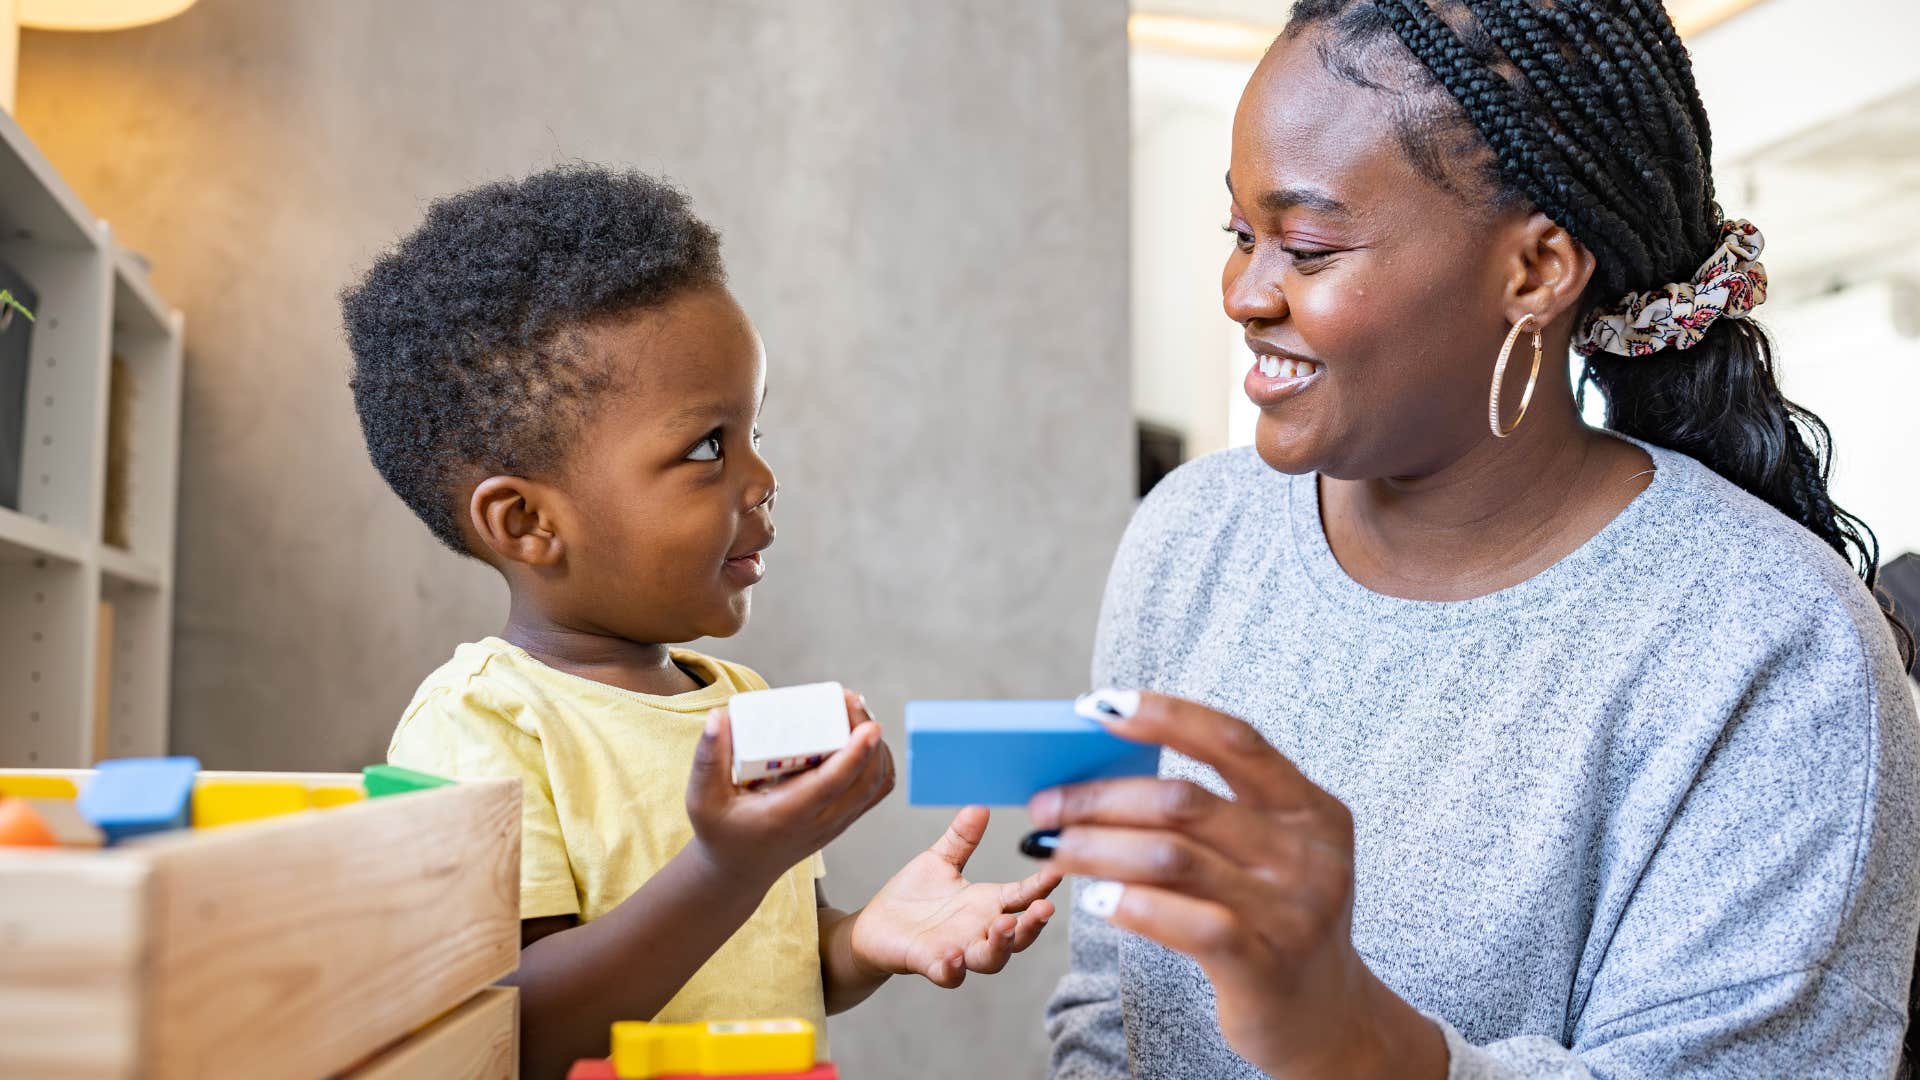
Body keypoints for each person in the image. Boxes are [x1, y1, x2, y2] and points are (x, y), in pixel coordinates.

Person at [1038, 1, 1920, 1077]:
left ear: (1536, 271)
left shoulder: (1774, 642)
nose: (1243, 293)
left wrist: (1358, 1041)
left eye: (1307, 247)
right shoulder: (1186, 534)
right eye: (1239, 234)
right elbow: (1102, 993)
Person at [340, 165, 1061, 1078]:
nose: (760, 480)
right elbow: (522, 1026)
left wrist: (862, 942)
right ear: (528, 523)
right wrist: (730, 869)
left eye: (754, 434)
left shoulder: (737, 702)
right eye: (708, 448)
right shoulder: (481, 725)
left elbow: (761, 959)